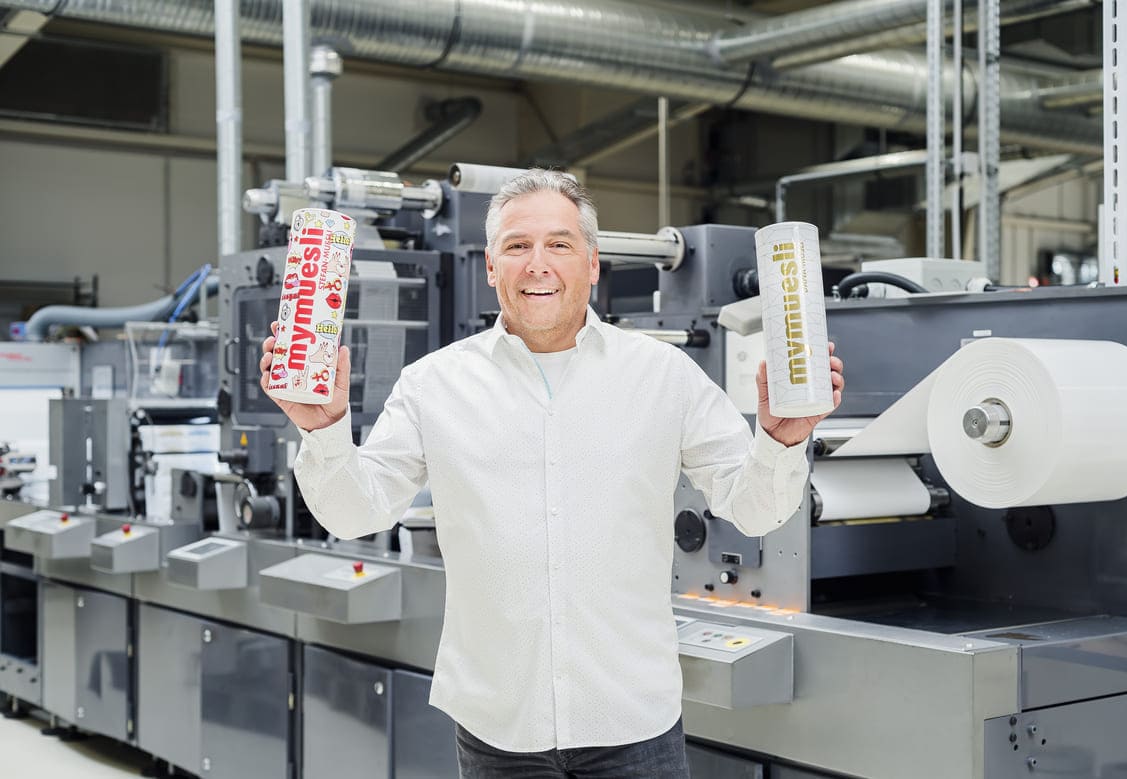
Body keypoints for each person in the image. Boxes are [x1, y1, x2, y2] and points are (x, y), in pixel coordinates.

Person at [259, 170, 844, 778]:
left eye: (559, 245)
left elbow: (753, 509)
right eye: (517, 246)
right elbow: (359, 515)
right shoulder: (434, 384)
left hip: (633, 722)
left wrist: (781, 438)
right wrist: (323, 430)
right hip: (497, 729)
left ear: (593, 265)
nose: (538, 264)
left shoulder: (663, 376)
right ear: (491, 266)